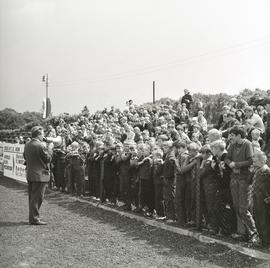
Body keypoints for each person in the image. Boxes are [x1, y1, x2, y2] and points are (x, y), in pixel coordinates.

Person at [23, 126, 53, 225]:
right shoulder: (40, 145)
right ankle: (34, 219)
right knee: (37, 198)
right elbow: (48, 158)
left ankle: (32, 217)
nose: (44, 136)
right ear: (39, 134)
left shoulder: (27, 144)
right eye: (43, 134)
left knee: (32, 198)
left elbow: (25, 156)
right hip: (39, 176)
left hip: (31, 174)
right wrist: (50, 148)